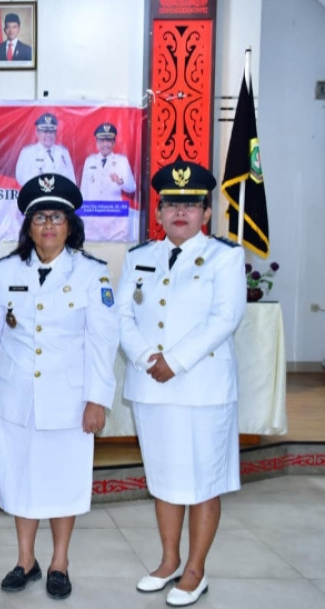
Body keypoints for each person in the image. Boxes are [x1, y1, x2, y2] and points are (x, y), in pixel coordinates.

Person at [0, 173, 118, 601]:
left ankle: (59, 562)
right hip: (15, 397)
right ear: (28, 226)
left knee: (63, 481)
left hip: (70, 401)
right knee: (20, 479)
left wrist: (97, 399)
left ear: (70, 225)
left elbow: (103, 342)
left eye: (57, 217)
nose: (48, 225)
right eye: (40, 218)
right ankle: (25, 561)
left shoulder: (91, 273)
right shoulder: (7, 271)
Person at [117, 159, 246, 607]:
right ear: (158, 211)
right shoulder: (139, 257)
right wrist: (145, 357)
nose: (180, 212)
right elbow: (123, 316)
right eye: (171, 203)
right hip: (152, 386)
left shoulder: (225, 257)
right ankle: (169, 561)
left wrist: (174, 361)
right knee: (165, 478)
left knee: (203, 482)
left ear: (206, 212)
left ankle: (195, 570)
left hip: (202, 389)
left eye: (191, 204)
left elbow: (225, 318)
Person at [79, 122, 138, 241]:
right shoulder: (90, 161)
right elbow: (84, 190)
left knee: (114, 249)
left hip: (113, 216)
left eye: (109, 140)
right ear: (96, 142)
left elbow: (132, 187)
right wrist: (82, 214)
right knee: (91, 247)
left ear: (114, 142)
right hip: (92, 216)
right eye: (102, 141)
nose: (105, 144)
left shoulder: (121, 161)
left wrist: (120, 181)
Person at [15, 113, 76, 186]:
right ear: (37, 133)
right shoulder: (28, 152)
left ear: (55, 133)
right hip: (36, 192)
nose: (48, 135)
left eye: (51, 132)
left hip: (60, 192)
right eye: (44, 131)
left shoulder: (63, 152)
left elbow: (71, 179)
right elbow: (21, 177)